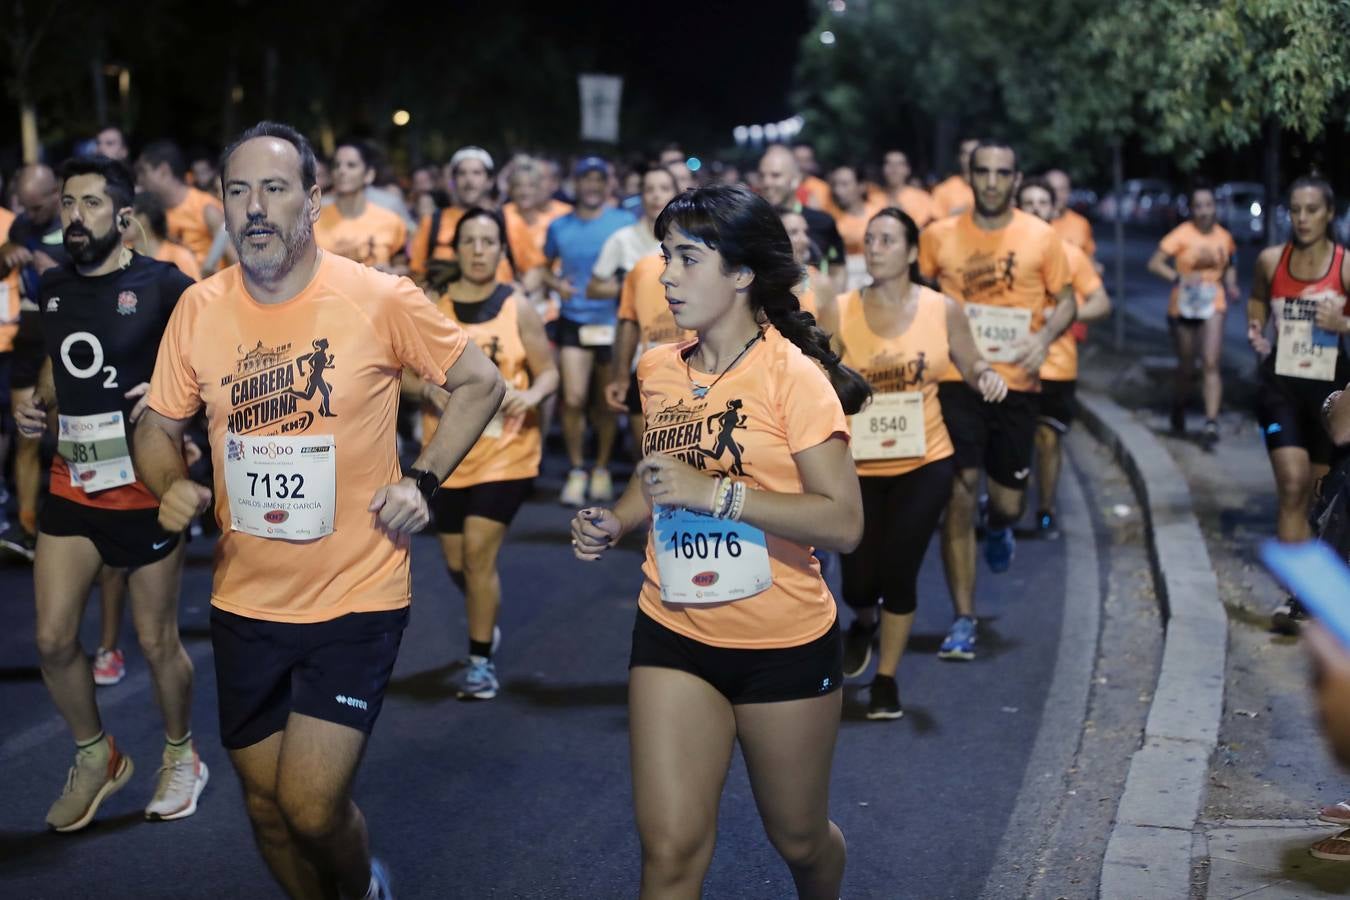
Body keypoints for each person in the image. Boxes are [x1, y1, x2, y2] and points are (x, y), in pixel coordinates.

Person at [134, 121, 504, 900]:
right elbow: (156, 425)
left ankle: (361, 891)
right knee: (267, 810)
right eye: (239, 191)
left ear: (312, 200)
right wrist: (167, 481)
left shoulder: (377, 295)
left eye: (274, 189)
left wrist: (425, 480)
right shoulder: (199, 309)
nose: (255, 208)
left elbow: (479, 383)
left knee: (310, 804)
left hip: (356, 596)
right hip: (245, 600)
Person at [570, 184, 868, 899]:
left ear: (741, 274)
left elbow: (844, 523)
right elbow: (660, 476)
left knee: (798, 838)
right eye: (665, 255)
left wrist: (721, 496)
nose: (667, 275)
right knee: (670, 853)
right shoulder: (656, 369)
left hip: (782, 645)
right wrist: (618, 518)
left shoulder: (794, 379)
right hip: (674, 630)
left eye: (688, 259)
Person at [13, 155, 206, 831]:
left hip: (147, 488)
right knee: (52, 638)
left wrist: (172, 391)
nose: (74, 216)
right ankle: (97, 755)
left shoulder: (165, 286)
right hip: (75, 481)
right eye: (68, 203)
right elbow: (57, 357)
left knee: (156, 643)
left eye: (90, 204)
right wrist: (33, 404)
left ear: (124, 218)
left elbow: (221, 354)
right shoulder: (58, 286)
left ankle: (182, 756)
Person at [819, 207, 1007, 719]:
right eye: (871, 239)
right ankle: (862, 621)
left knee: (900, 571)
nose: (874, 247)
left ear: (909, 252)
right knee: (859, 581)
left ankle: (886, 679)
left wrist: (985, 375)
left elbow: (969, 359)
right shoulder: (838, 309)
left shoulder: (941, 309)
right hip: (855, 466)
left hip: (925, 460)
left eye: (886, 239)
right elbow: (818, 375)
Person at [918, 140, 1076, 660]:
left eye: (1001, 173)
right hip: (957, 380)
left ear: (1016, 178)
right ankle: (963, 618)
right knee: (958, 492)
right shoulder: (939, 237)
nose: (991, 181)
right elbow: (919, 299)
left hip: (1016, 384)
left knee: (1007, 502)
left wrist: (1042, 339)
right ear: (969, 174)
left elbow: (1067, 301)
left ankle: (1002, 521)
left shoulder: (1041, 237)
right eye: (981, 171)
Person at [405, 208, 558, 700]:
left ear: (502, 251)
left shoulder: (520, 307)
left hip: (507, 452)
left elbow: (549, 371)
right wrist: (428, 392)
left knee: (476, 554)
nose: (477, 250)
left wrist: (532, 397)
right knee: (457, 562)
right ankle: (482, 614)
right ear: (457, 249)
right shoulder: (433, 305)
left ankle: (479, 663)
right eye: (468, 241)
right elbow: (402, 374)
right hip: (447, 455)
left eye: (487, 242)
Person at [1247, 176, 1350, 633]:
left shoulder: (1345, 265)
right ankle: (1294, 598)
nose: (1303, 218)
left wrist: (1343, 321)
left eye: (1312, 209)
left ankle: (1311, 590)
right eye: (1295, 209)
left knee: (1317, 495)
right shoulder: (1272, 260)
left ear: (1329, 214)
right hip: (1281, 386)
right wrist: (1255, 326)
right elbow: (1255, 300)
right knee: (1290, 483)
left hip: (1328, 389)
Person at [1017, 178, 1112, 537]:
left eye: (1043, 202)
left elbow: (1102, 303)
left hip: (1056, 364)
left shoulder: (1071, 255)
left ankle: (1045, 509)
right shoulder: (1000, 255)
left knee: (1047, 438)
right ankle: (1006, 503)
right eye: (1029, 202)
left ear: (1054, 209)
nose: (1036, 208)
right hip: (1007, 364)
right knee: (1013, 439)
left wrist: (1063, 317)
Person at [542, 157, 635, 506]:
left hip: (612, 322)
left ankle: (601, 467)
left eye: (599, 180)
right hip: (573, 319)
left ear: (608, 184)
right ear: (575, 185)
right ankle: (577, 468)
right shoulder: (559, 226)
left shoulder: (622, 222)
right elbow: (545, 266)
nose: (592, 187)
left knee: (606, 402)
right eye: (586, 180)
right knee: (575, 398)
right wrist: (556, 284)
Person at [1, 164, 66, 561]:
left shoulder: (78, 224)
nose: (31, 214)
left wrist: (55, 271)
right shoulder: (20, 225)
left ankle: (71, 522)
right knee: (25, 436)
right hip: (27, 337)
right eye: (25, 206)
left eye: (38, 207)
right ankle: (27, 528)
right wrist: (6, 253)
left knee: (64, 436)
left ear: (56, 193)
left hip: (64, 337)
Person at [1148, 182, 1238, 448]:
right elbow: (1154, 263)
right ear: (1191, 209)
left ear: (1215, 208)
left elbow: (1231, 264)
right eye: (1198, 206)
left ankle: (1211, 422)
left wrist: (1231, 285)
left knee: (1211, 361)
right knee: (1187, 366)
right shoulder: (1181, 234)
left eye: (1208, 205)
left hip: (1214, 303)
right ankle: (1179, 406)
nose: (1204, 211)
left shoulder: (1224, 237)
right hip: (1184, 305)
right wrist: (1180, 277)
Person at [410, 146, 541, 288]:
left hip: (500, 307)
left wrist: (522, 294)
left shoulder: (510, 221)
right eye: (462, 173)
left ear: (490, 181)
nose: (469, 180)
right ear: (453, 181)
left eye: (476, 173)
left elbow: (534, 268)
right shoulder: (432, 223)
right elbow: (417, 273)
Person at [757, 145, 846, 291]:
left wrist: (830, 304)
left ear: (795, 179)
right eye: (762, 176)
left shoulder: (823, 222)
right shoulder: (752, 222)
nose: (767, 183)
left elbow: (837, 268)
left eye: (775, 175)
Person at [314, 140, 409, 273]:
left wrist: (389, 272)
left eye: (351, 165)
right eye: (337, 165)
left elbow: (405, 267)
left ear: (369, 175)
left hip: (377, 291)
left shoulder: (391, 220)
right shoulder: (314, 220)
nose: (342, 170)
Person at [587, 167, 679, 302]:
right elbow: (593, 289)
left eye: (664, 188)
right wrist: (630, 288)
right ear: (641, 197)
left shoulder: (690, 240)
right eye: (649, 189)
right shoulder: (622, 239)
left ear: (676, 195)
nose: (656, 195)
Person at [135, 140, 228, 272]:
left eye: (143, 172)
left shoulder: (206, 208)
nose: (139, 179)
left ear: (163, 171)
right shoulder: (153, 214)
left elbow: (236, 261)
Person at [825, 164, 883, 290]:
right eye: (835, 185)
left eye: (845, 184)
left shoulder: (879, 215)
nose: (838, 190)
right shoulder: (828, 220)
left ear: (861, 186)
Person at [130, 192, 203, 280]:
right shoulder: (124, 259)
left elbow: (194, 291)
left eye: (127, 216)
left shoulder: (179, 257)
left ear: (143, 219)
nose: (119, 222)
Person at [780, 209, 830, 317]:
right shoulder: (760, 284)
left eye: (806, 232)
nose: (805, 240)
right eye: (793, 232)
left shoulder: (821, 283)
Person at [1044, 169, 1096, 259]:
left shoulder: (1081, 224)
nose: (1056, 194)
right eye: (1052, 189)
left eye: (1062, 189)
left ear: (1069, 192)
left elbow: (1089, 259)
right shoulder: (1033, 223)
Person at [880, 150, 935, 228]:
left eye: (899, 164)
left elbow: (924, 228)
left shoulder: (922, 198)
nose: (894, 169)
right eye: (889, 163)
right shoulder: (873, 197)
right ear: (883, 169)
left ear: (908, 169)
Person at [930, 138, 978, 219]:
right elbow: (936, 225)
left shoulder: (997, 188)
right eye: (966, 154)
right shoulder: (943, 190)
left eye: (975, 154)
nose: (971, 158)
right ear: (960, 158)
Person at [792, 141, 830, 210]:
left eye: (806, 160)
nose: (802, 165)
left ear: (813, 163)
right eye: (798, 160)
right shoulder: (784, 185)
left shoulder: (822, 188)